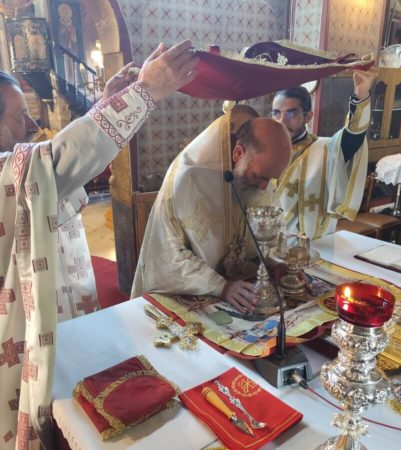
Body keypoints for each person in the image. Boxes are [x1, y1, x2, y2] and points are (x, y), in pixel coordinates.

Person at [0, 40, 197, 450]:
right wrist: (145, 93)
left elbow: (47, 168)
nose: (31, 124)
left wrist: (103, 105)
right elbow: (54, 164)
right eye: (20, 116)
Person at [131, 107, 292, 314]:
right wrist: (220, 286)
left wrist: (275, 263)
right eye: (259, 177)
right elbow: (166, 258)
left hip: (244, 288)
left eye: (270, 179)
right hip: (193, 291)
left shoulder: (260, 174)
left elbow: (268, 237)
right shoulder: (187, 180)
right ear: (238, 153)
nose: (264, 187)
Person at [273, 68, 377, 239]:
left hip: (313, 244)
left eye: (291, 113)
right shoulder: (265, 150)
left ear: (308, 116)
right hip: (269, 245)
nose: (281, 121)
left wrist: (361, 95)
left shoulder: (325, 149)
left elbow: (353, 136)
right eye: (276, 113)